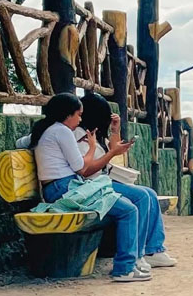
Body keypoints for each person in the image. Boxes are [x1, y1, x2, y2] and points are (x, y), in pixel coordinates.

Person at [29, 93, 148, 282]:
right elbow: (82, 168)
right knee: (128, 210)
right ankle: (125, 268)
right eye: (78, 114)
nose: (80, 119)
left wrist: (94, 146)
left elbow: (78, 165)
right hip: (64, 189)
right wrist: (97, 148)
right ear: (67, 114)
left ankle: (128, 265)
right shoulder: (62, 131)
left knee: (127, 206)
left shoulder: (50, 130)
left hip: (61, 187)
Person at [75, 93, 177, 272]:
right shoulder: (79, 135)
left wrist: (115, 131)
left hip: (103, 182)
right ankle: (136, 255)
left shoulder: (93, 133)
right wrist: (112, 154)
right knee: (140, 197)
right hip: (92, 185)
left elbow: (113, 150)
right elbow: (87, 169)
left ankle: (153, 250)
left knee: (150, 193)